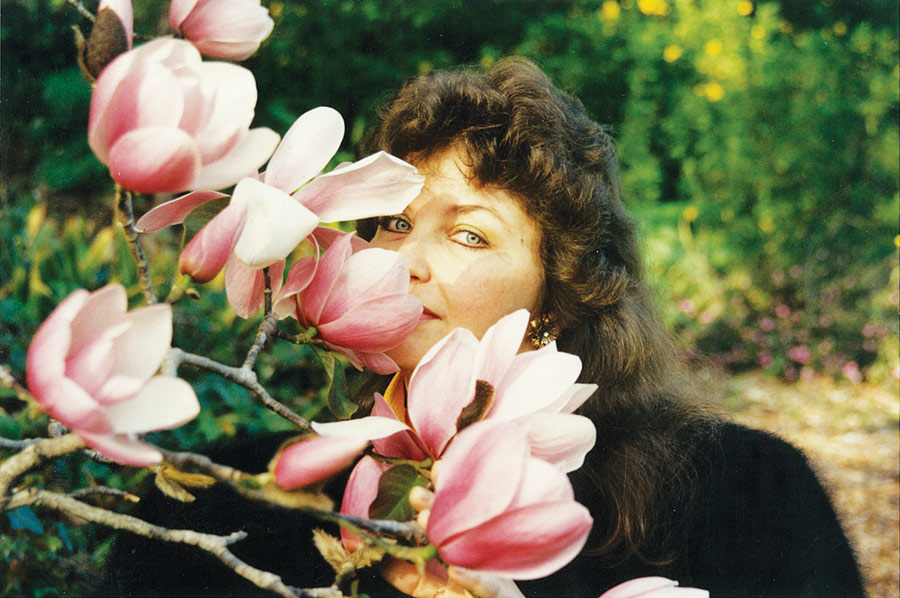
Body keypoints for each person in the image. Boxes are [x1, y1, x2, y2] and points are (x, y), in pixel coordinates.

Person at [102, 58, 865, 598]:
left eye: (470, 234)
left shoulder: (747, 498)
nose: (403, 262)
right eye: (393, 223)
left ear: (558, 299)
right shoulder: (212, 503)